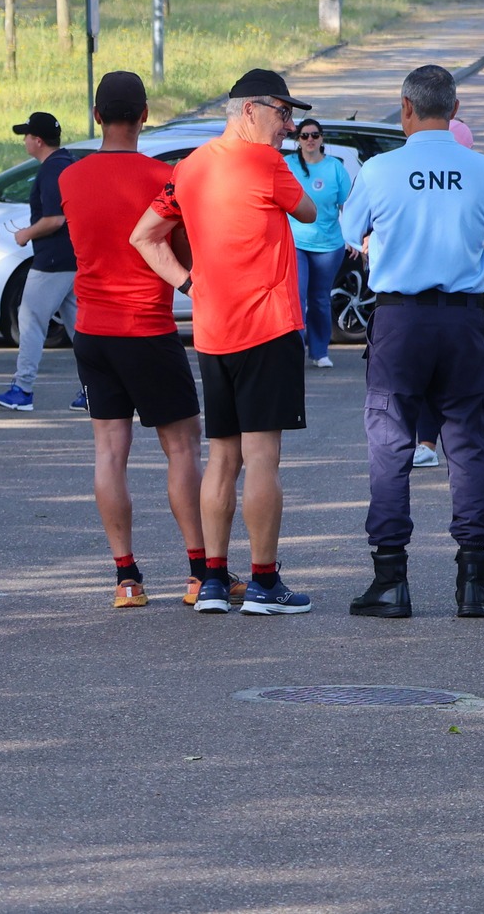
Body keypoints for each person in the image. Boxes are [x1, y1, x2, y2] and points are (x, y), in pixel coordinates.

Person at [131, 69, 317, 615]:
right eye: (283, 113)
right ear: (250, 110)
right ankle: (263, 583)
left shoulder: (189, 167)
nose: (289, 125)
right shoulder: (265, 162)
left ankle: (212, 581)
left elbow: (143, 235)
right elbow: (309, 211)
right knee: (262, 460)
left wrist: (188, 284)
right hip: (268, 329)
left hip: (214, 332)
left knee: (222, 458)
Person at [337, 64, 484, 619]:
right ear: (454, 109)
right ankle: (473, 582)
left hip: (401, 320)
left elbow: (348, 233)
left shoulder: (380, 170)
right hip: (464, 321)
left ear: (406, 109)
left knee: (391, 443)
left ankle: (391, 579)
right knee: (468, 444)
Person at [61, 72, 213, 610]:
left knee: (109, 452)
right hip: (146, 327)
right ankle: (200, 573)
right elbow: (183, 251)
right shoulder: (164, 177)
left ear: (96, 115)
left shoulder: (70, 177)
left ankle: (126, 578)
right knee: (182, 447)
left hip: (91, 330)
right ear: (145, 115)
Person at [411, 118, 484, 469]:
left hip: (477, 293)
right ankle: (427, 443)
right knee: (427, 368)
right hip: (430, 292)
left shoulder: (483, 178)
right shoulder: (425, 182)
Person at [0, 112, 83, 413]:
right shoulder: (67, 163)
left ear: (38, 140)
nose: (25, 141)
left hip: (53, 260)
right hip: (71, 257)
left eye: (27, 136)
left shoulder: (51, 170)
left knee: (30, 320)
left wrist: (25, 234)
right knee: (80, 329)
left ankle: (23, 389)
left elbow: (55, 218)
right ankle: (95, 388)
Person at [285, 117, 351, 369]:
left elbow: (348, 206)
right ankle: (294, 351)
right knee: (297, 296)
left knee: (320, 300)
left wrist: (353, 238)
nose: (310, 140)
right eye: (304, 136)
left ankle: (320, 351)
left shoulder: (335, 168)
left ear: (321, 138)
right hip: (296, 241)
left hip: (328, 245)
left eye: (314, 135)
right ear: (298, 140)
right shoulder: (288, 164)